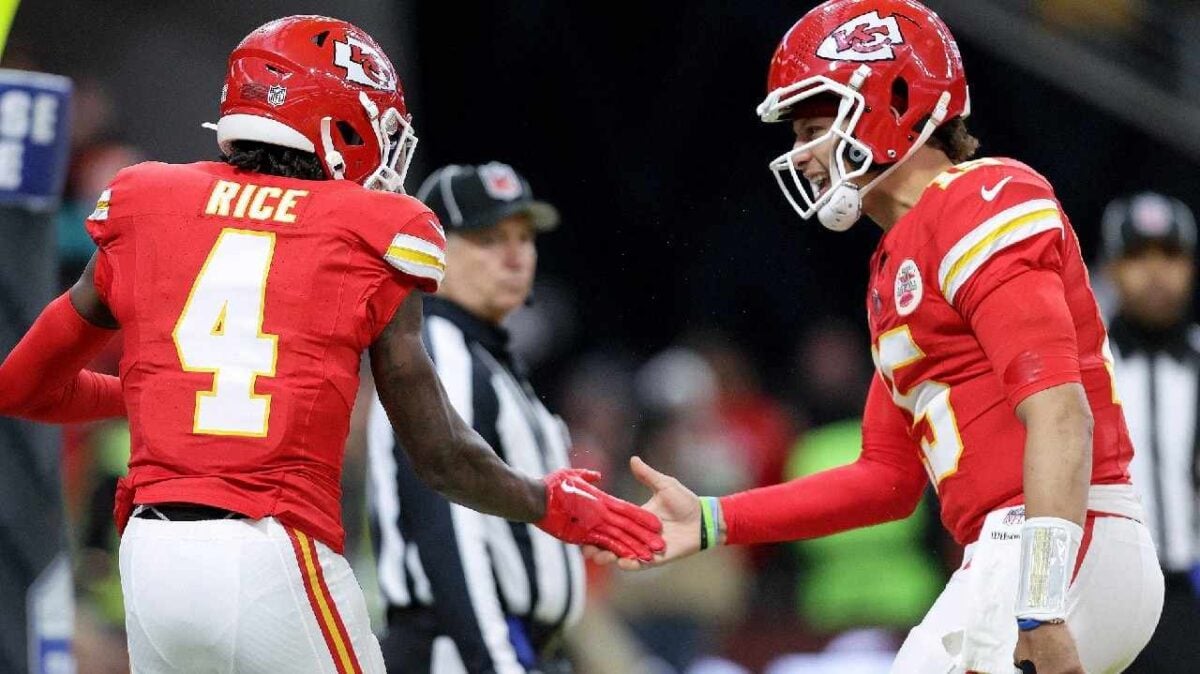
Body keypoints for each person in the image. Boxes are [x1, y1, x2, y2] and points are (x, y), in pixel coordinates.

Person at [0, 16, 662, 674]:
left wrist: (172, 393)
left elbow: (23, 384)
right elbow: (439, 455)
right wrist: (546, 502)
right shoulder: (374, 228)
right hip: (270, 549)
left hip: (152, 556)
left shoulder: (147, 196)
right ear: (339, 124)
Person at [592, 2, 1164, 672]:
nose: (800, 154)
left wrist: (1040, 603)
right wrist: (716, 520)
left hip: (1064, 540)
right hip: (1020, 551)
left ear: (891, 100)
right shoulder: (893, 268)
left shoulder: (984, 198)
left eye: (814, 124)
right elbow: (884, 480)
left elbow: (1061, 416)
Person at [366, 161, 583, 673]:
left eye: (524, 237)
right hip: (461, 649)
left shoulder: (481, 355)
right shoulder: (440, 352)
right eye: (489, 239)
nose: (516, 257)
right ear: (435, 251)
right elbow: (448, 528)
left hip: (502, 645)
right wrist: (497, 664)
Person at [1099, 192, 1200, 672]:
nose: (1156, 272)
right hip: (1104, 594)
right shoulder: (1085, 367)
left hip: (1191, 589)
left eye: (1170, 255)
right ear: (1113, 268)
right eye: (1138, 256)